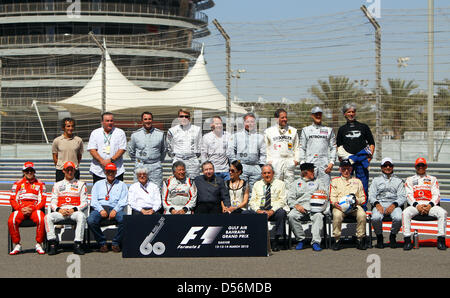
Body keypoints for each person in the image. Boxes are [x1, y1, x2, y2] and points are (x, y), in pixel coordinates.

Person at [403, 157, 448, 250]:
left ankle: (441, 240)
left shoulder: (433, 179)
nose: (420, 167)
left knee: (443, 213)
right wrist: (417, 206)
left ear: (426, 166)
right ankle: (407, 240)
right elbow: (408, 195)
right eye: (418, 165)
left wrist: (429, 206)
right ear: (415, 167)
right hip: (416, 205)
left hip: (430, 205)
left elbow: (437, 195)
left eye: (422, 165)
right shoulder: (409, 179)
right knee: (405, 213)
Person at [45, 161, 89, 255]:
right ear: (63, 171)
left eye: (71, 170)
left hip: (74, 211)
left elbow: (85, 203)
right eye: (67, 170)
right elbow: (52, 202)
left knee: (81, 216)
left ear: (74, 171)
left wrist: (74, 209)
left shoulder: (81, 184)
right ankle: (53, 243)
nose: (70, 172)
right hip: (61, 212)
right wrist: (59, 210)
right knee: (48, 217)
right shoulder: (57, 185)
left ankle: (77, 244)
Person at [336, 103, 375, 208]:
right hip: (348, 162)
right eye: (349, 112)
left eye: (353, 112)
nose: (351, 114)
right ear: (345, 114)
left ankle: (362, 207)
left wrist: (369, 157)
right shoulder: (342, 129)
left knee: (363, 184)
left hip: (361, 161)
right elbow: (338, 146)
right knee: (345, 183)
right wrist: (342, 159)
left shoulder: (363, 127)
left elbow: (371, 143)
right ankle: (345, 206)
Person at [287, 163, 329, 252]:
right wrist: (296, 205)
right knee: (291, 216)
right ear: (305, 172)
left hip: (315, 208)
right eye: (311, 171)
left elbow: (325, 193)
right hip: (300, 207)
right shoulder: (295, 183)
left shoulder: (318, 182)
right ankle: (300, 239)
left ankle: (315, 242)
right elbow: (290, 198)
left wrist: (323, 192)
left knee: (318, 216)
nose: (314, 172)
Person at [87, 163, 128, 253]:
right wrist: (101, 209)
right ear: (105, 172)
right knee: (91, 220)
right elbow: (93, 200)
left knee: (125, 220)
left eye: (112, 171)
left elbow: (123, 201)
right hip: (100, 207)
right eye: (108, 171)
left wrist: (115, 210)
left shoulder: (122, 185)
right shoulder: (98, 184)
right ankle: (102, 243)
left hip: (115, 207)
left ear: (116, 172)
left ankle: (116, 243)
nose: (110, 173)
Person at [8, 162, 46, 255]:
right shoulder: (17, 184)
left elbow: (43, 200)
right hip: (21, 209)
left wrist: (33, 209)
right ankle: (17, 244)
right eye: (27, 171)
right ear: (23, 172)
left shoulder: (41, 184)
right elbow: (12, 199)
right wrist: (20, 209)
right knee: (11, 221)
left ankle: (39, 244)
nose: (29, 173)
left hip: (34, 209)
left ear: (34, 172)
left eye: (31, 171)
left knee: (42, 219)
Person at [248, 164, 289, 252]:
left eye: (269, 173)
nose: (267, 175)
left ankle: (276, 241)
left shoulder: (280, 184)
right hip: (260, 211)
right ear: (262, 174)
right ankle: (251, 240)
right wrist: (258, 210)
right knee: (245, 214)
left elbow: (282, 201)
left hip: (274, 211)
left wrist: (272, 210)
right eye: (264, 173)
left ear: (273, 173)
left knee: (281, 213)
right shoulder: (257, 184)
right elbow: (252, 201)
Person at [368, 157, 406, 249]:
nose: (387, 167)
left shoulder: (399, 181)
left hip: (394, 204)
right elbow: (371, 196)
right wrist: (377, 204)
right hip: (380, 203)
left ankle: (393, 236)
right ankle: (379, 237)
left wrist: (394, 205)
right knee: (376, 218)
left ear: (392, 167)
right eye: (385, 165)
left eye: (390, 165)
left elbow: (402, 196)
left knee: (398, 217)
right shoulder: (376, 180)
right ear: (381, 167)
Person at [329, 160, 367, 250]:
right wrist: (335, 204)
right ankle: (337, 239)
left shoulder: (357, 181)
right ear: (340, 169)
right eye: (344, 169)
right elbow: (332, 197)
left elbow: (363, 197)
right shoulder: (334, 181)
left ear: (351, 169)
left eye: (348, 169)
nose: (346, 171)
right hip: (340, 207)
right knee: (337, 215)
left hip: (354, 206)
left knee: (362, 215)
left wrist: (358, 202)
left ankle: (360, 239)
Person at [228, 112, 266, 193]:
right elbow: (230, 150)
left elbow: (263, 153)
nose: (250, 124)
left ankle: (253, 206)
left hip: (255, 167)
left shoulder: (260, 137)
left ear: (255, 123)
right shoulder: (236, 136)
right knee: (240, 190)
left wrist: (261, 166)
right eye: (248, 121)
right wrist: (235, 163)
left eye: (252, 122)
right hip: (241, 167)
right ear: (244, 122)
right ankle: (241, 206)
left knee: (255, 191)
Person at [127, 111, 166, 189]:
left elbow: (164, 150)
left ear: (152, 120)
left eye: (149, 119)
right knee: (138, 189)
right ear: (142, 121)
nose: (148, 121)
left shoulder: (160, 134)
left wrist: (155, 160)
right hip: (141, 165)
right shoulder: (135, 135)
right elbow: (131, 151)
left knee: (157, 189)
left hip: (155, 167)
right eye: (145, 119)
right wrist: (139, 160)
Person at [299, 106, 336, 187]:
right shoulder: (306, 130)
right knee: (309, 188)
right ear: (312, 115)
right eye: (316, 114)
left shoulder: (329, 130)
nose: (318, 116)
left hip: (325, 166)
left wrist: (332, 162)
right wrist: (302, 163)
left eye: (320, 114)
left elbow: (333, 147)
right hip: (310, 165)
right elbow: (302, 148)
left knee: (325, 188)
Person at [87, 112, 127, 184]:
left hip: (116, 170)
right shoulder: (95, 133)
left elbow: (122, 149)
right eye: (107, 121)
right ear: (102, 122)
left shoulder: (120, 133)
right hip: (99, 170)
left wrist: (111, 160)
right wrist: (102, 161)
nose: (110, 123)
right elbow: (92, 149)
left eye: (111, 121)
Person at [264, 108, 300, 185]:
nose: (285, 119)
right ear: (276, 119)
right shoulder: (269, 131)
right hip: (275, 161)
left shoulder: (293, 131)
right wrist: (269, 161)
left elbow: (296, 147)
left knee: (289, 185)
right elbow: (265, 148)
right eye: (282, 117)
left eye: (286, 117)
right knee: (276, 184)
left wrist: (296, 160)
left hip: (289, 160)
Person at [167, 109, 202, 179]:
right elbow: (169, 147)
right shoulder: (172, 131)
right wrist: (175, 157)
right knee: (178, 183)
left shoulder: (197, 129)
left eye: (186, 116)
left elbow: (199, 146)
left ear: (189, 118)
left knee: (194, 183)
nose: (184, 118)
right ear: (178, 118)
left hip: (192, 161)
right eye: (181, 116)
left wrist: (193, 156)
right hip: (178, 160)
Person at [52, 117, 84, 182]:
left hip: (74, 170)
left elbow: (79, 156)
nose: (70, 128)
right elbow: (55, 156)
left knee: (75, 191)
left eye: (72, 126)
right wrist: (61, 166)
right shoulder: (57, 140)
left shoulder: (78, 140)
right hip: (61, 171)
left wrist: (74, 165)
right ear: (63, 128)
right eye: (68, 126)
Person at [201, 116, 231, 181]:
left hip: (225, 171)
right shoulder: (206, 137)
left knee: (226, 190)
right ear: (212, 125)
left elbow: (231, 153)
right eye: (217, 124)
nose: (219, 125)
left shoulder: (228, 136)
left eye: (220, 124)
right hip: (212, 171)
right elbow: (204, 155)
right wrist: (206, 170)